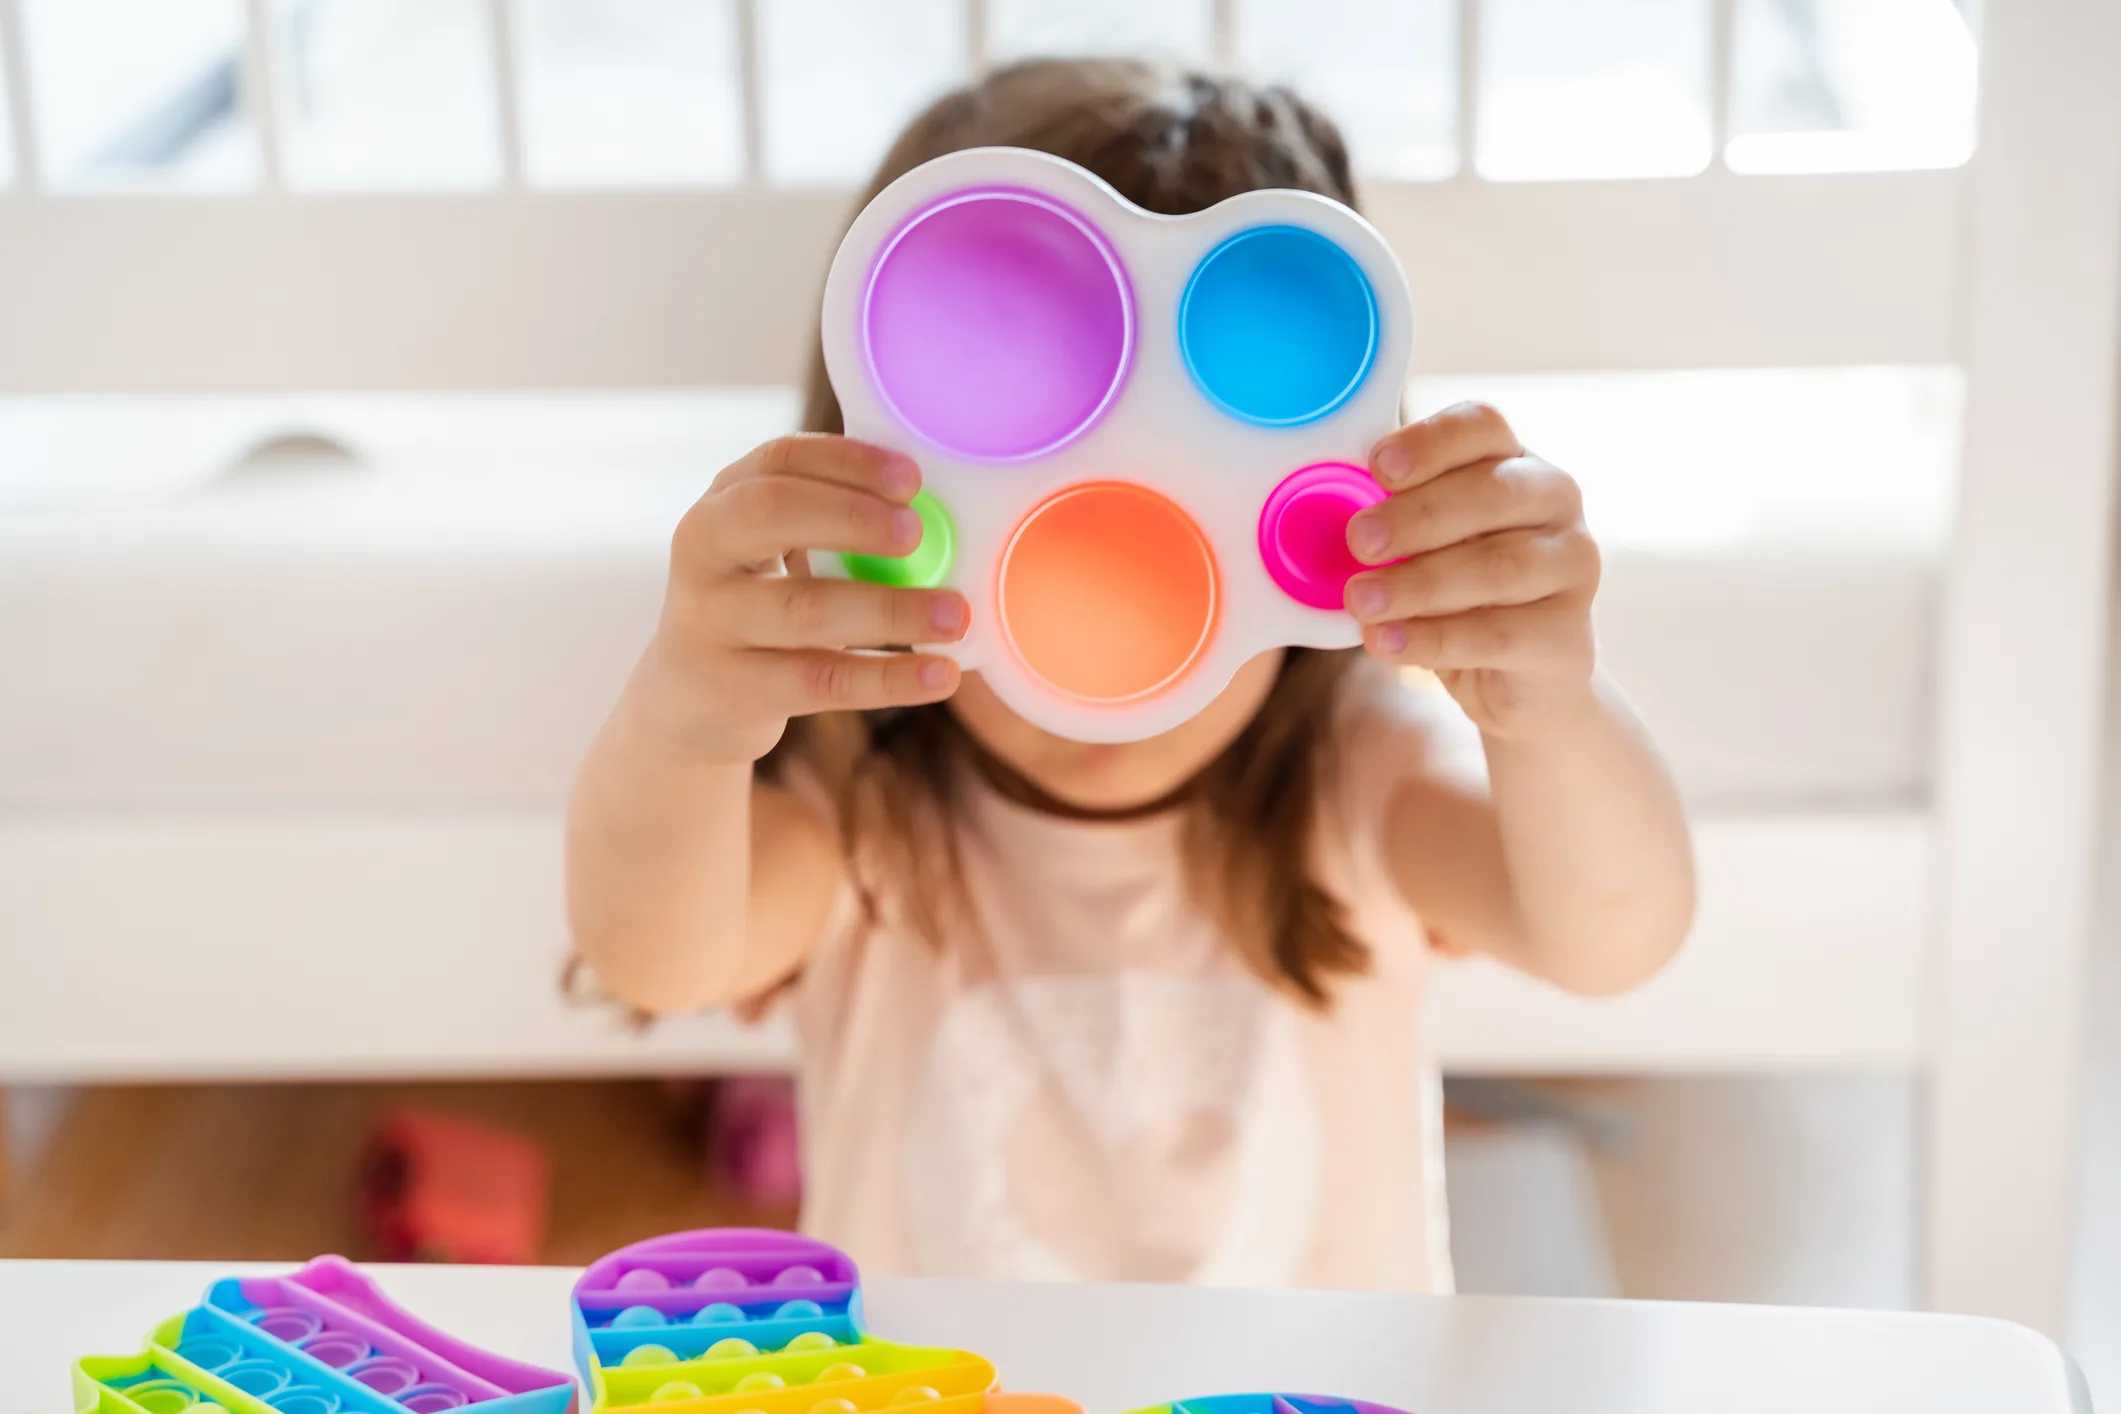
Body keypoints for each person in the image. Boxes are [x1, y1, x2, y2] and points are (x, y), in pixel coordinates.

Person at [568, 58, 1694, 1291]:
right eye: (1049, 582)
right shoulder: (867, 814)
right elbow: (653, 955)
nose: (1110, 677)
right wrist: (684, 721)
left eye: (1164, 584)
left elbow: (1614, 937)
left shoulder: (1361, 775)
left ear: (1312, 534)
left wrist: (1549, 712)